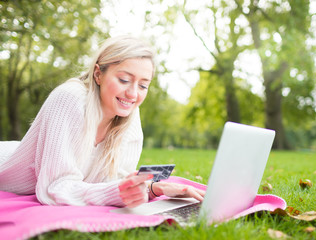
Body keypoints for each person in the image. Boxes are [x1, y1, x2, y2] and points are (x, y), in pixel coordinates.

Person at [0, 35, 205, 208]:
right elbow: (54, 188)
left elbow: (114, 181)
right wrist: (118, 193)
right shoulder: (69, 98)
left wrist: (152, 188)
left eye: (143, 85)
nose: (133, 94)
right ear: (98, 74)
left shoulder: (129, 114)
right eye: (124, 80)